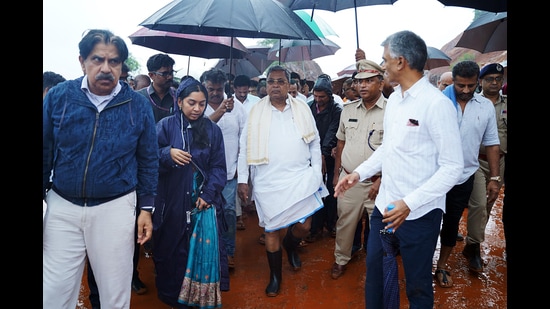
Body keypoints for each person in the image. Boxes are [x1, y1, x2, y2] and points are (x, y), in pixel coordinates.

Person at [334, 30, 464, 308]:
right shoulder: (395, 101)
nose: (383, 65)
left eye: (385, 60)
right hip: (385, 212)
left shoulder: (436, 105)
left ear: (401, 62)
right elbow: (387, 149)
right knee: (377, 276)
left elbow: (453, 167)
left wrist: (409, 203)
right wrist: (359, 173)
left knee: (417, 286)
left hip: (418, 216)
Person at [43, 29, 158, 309]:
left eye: (114, 62)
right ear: (82, 61)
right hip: (62, 205)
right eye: (98, 60)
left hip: (115, 206)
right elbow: (44, 150)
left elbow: (148, 159)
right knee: (53, 292)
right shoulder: (60, 97)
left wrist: (146, 209)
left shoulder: (138, 105)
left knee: (114, 292)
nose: (106, 68)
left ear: (122, 66)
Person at [237, 65, 328, 297]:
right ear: (265, 85)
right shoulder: (255, 111)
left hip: (300, 176)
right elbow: (244, 147)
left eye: (280, 81)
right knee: (271, 230)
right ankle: (275, 276)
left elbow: (314, 141)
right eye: (270, 82)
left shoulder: (302, 108)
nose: (275, 85)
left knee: (304, 225)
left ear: (289, 85)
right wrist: (243, 179)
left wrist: (317, 170)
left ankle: (291, 245)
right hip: (267, 181)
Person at [153, 76, 229, 308]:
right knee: (171, 251)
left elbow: (219, 168)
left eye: (202, 104)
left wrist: (208, 195)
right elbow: (148, 159)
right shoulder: (165, 126)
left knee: (200, 254)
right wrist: (168, 154)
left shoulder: (213, 131)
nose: (197, 109)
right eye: (191, 103)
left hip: (203, 204)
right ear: (179, 102)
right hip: (172, 203)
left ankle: (199, 298)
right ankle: (172, 297)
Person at [434, 60, 501, 288]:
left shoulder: (485, 107)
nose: (465, 91)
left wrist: (494, 177)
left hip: (464, 175)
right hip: (434, 175)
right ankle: (421, 262)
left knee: (452, 222)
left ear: (477, 83)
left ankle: (442, 265)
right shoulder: (438, 102)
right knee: (430, 220)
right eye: (460, 85)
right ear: (453, 81)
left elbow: (492, 143)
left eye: (470, 86)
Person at [330, 59, 387, 280]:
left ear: (381, 83)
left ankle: (378, 266)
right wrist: (337, 175)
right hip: (349, 180)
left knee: (381, 228)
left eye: (369, 81)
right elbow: (340, 143)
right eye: (359, 81)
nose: (362, 86)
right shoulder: (347, 110)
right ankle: (340, 259)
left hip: (379, 182)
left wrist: (381, 180)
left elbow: (396, 151)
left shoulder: (392, 111)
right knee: (345, 223)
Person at [463, 62, 507, 273]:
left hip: (501, 162)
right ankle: (473, 247)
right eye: (490, 79)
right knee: (479, 204)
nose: (495, 83)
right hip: (476, 160)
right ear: (480, 81)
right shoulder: (473, 102)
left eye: (499, 79)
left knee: (488, 205)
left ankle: (472, 244)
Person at [202, 68, 247, 270]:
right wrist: (220, 111)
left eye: (219, 89)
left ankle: (228, 252)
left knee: (228, 213)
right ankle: (206, 253)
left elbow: (245, 138)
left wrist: (241, 165)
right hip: (202, 172)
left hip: (230, 171)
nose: (215, 93)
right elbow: (198, 130)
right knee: (204, 214)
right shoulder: (196, 104)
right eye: (210, 89)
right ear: (204, 86)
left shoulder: (237, 107)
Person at [305, 75, 342, 245]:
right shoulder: (309, 107)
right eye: (316, 96)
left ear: (330, 95)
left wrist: (324, 153)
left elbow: (333, 132)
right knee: (315, 189)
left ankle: (331, 223)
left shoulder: (337, 110)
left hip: (331, 154)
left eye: (322, 97)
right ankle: (315, 228)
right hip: (312, 155)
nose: (318, 100)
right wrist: (316, 154)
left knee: (332, 189)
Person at [136, 53, 178, 122]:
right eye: (164, 74)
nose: (170, 77)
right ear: (151, 75)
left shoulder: (178, 97)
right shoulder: (139, 97)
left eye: (171, 73)